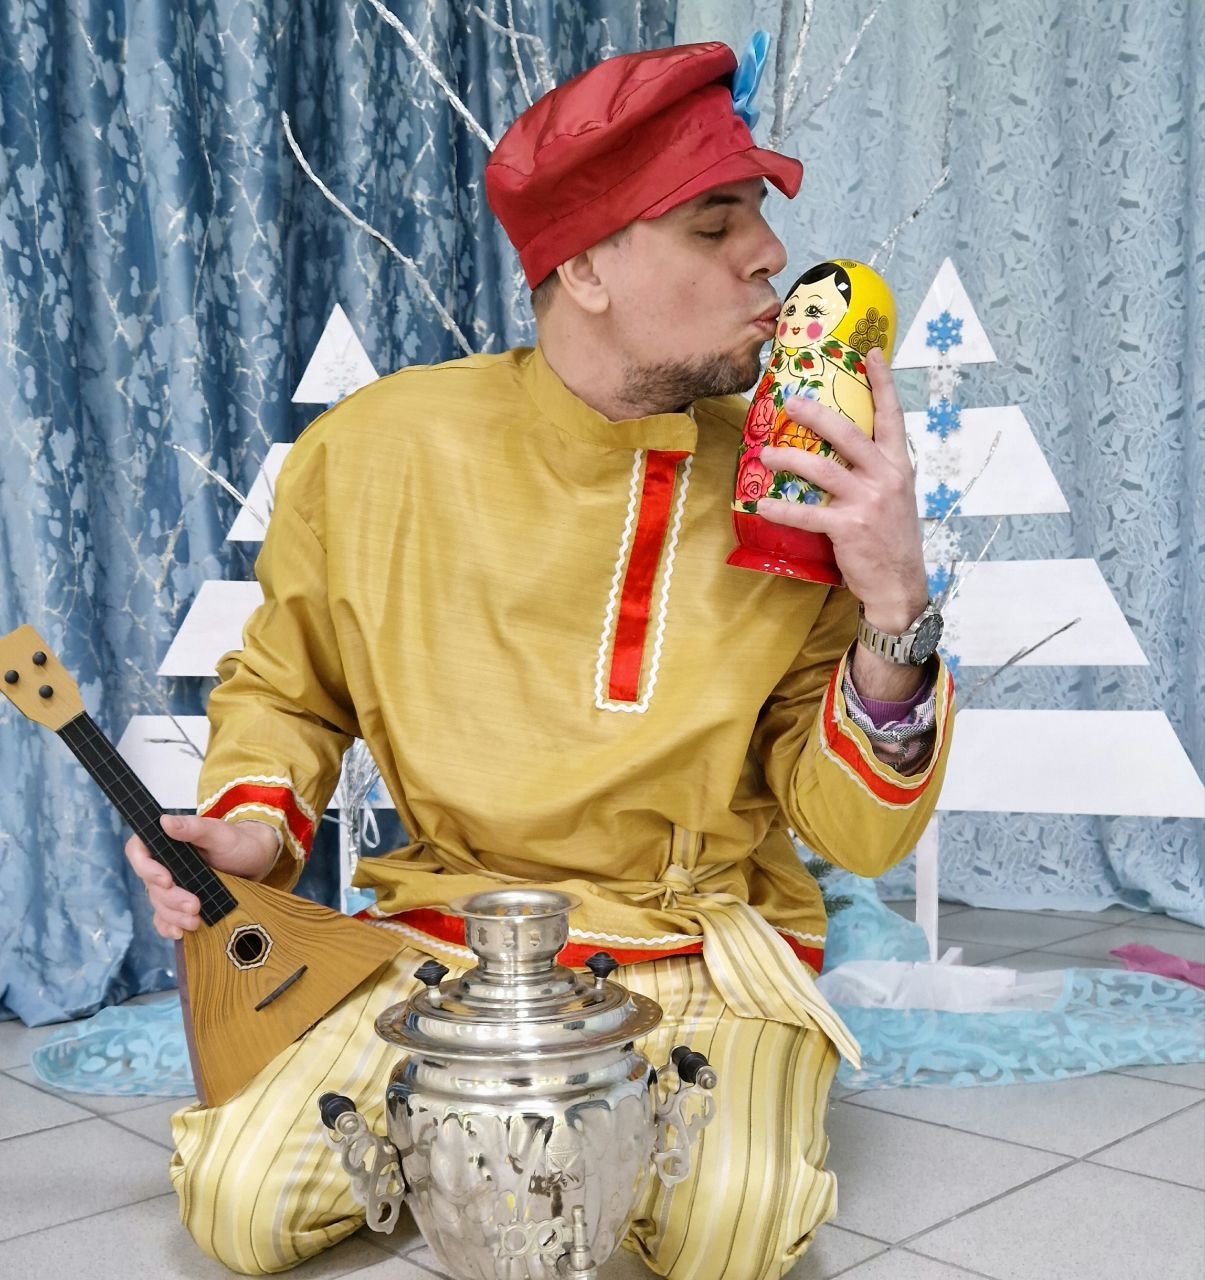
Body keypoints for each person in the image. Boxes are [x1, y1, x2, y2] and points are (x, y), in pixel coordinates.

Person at [125, 40, 954, 1280]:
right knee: (240, 1204)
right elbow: (287, 689)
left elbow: (857, 832)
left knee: (729, 1233)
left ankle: (518, 1140)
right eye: (713, 224)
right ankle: (508, 1134)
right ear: (583, 267)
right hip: (446, 937)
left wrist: (892, 599)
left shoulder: (788, 482)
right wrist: (247, 829)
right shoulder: (376, 449)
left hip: (692, 945)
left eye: (759, 217)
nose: (768, 256)